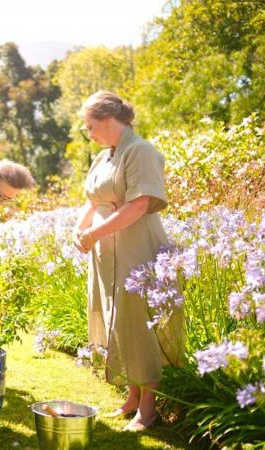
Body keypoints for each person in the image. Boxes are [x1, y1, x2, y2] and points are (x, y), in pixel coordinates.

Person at [72, 91, 184, 431]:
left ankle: (148, 409)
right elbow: (92, 200)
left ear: (108, 119)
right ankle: (133, 396)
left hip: (139, 248)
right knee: (118, 319)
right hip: (107, 253)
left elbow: (138, 206)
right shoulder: (103, 157)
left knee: (139, 322)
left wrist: (94, 234)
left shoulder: (141, 151)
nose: (88, 134)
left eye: (90, 127)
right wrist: (80, 228)